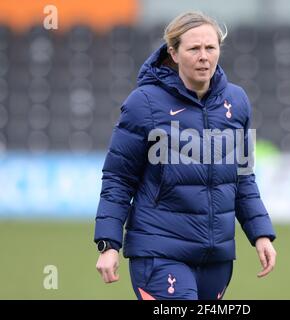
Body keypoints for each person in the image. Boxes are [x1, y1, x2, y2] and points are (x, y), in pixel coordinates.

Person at [94, 11, 277, 300]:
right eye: (194, 48)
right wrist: (109, 244)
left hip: (215, 257)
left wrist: (261, 233)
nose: (203, 56)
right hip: (159, 252)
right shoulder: (144, 103)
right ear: (173, 53)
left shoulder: (237, 102)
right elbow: (118, 178)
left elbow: (242, 176)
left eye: (210, 48)